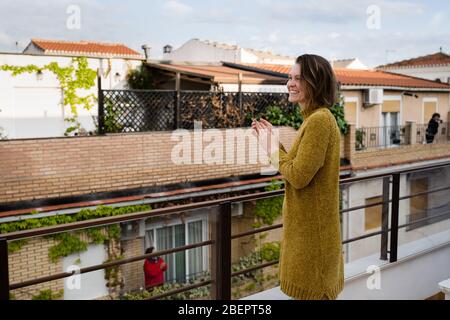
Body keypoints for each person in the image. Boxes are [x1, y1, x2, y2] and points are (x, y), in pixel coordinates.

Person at [252, 54, 344, 300]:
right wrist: (274, 145)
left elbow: (298, 176)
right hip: (311, 242)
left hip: (314, 248)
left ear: (315, 82)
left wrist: (271, 149)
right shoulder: (314, 120)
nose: (289, 84)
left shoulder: (319, 121)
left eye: (298, 78)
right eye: (289, 78)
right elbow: (298, 168)